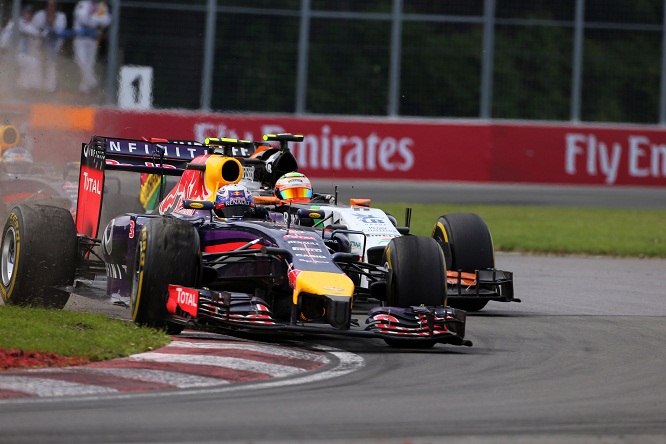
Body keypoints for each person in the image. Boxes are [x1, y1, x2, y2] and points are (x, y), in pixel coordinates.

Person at [72, 0, 111, 94]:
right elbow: (82, 18)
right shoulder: (83, 4)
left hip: (93, 39)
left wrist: (93, 19)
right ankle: (93, 82)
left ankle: (84, 88)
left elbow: (107, 20)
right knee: (81, 61)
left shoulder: (102, 6)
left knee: (90, 64)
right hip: (81, 38)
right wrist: (97, 20)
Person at [0, 5, 43, 91]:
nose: (28, 15)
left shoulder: (30, 25)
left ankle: (27, 88)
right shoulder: (17, 22)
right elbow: (6, 35)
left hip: (22, 54)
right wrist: (2, 46)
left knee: (31, 62)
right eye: (27, 12)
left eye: (30, 13)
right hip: (11, 53)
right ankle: (29, 88)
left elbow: (36, 38)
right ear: (23, 13)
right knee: (30, 62)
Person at [32, 0, 67, 92]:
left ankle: (50, 88)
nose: (51, 7)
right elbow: (33, 30)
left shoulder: (61, 17)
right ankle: (37, 87)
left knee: (51, 66)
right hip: (39, 45)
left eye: (53, 5)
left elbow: (59, 32)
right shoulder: (39, 15)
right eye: (49, 5)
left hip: (53, 46)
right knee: (37, 64)